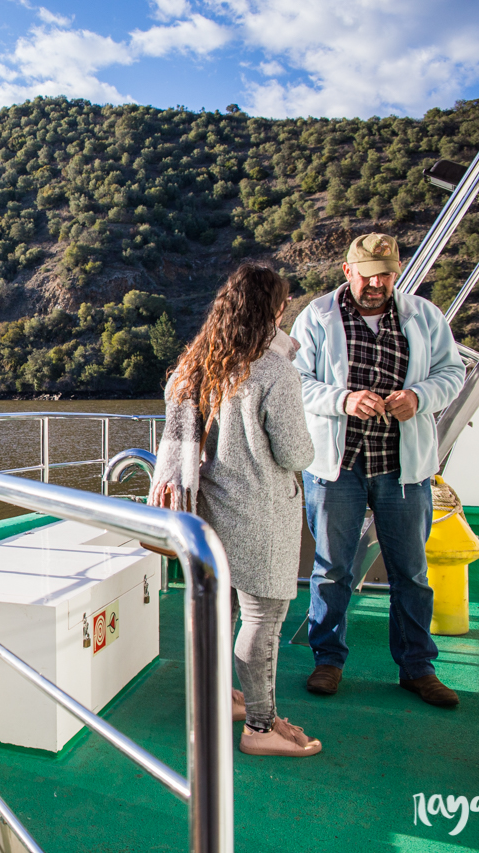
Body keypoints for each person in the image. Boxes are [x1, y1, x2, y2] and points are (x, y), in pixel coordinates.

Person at [290, 234, 466, 706]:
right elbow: (297, 382)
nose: (376, 284)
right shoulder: (316, 318)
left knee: (411, 571)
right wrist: (343, 400)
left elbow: (452, 374)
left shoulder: (425, 316)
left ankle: (417, 669)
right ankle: (328, 661)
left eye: (385, 274)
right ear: (348, 271)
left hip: (402, 468)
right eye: (367, 275)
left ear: (397, 271)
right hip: (337, 465)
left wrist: (419, 397)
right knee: (331, 570)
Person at [152, 263, 320, 757]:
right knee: (263, 620)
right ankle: (261, 729)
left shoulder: (198, 365)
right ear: (275, 310)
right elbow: (293, 453)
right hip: (261, 512)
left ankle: (219, 697)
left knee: (219, 612)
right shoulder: (272, 371)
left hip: (209, 511)